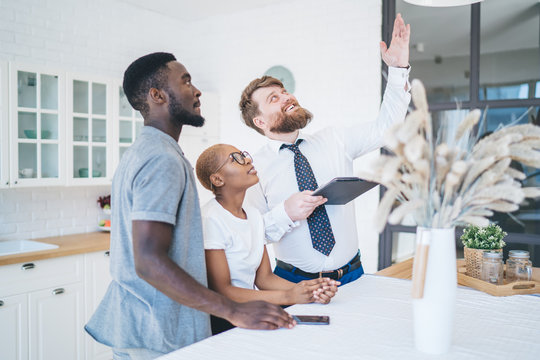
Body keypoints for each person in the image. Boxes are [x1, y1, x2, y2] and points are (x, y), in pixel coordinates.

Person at [85, 52, 295, 360]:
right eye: (185, 81)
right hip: (155, 331)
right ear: (157, 96)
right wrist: (233, 310)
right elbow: (148, 260)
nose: (196, 91)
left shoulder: (147, 151)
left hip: (146, 327)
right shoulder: (161, 159)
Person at [240, 14, 411, 285]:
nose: (287, 97)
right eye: (275, 98)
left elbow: (387, 128)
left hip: (354, 277)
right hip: (294, 284)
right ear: (260, 122)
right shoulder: (252, 169)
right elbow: (252, 234)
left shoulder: (334, 140)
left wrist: (398, 69)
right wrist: (286, 212)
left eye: (285, 91)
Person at [195, 144, 340, 334]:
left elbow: (264, 278)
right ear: (217, 179)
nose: (247, 160)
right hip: (223, 321)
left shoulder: (253, 215)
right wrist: (290, 295)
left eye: (243, 154)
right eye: (235, 158)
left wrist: (310, 292)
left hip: (250, 312)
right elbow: (223, 291)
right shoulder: (210, 219)